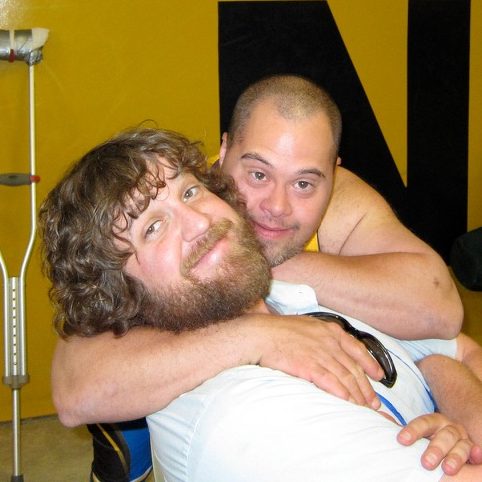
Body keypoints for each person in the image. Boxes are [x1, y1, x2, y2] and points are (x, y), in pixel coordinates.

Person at [39, 127, 482, 481]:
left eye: (189, 192)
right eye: (152, 228)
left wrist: (451, 400)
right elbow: (76, 387)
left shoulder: (281, 296)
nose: (199, 222)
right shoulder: (246, 418)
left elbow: (453, 350)